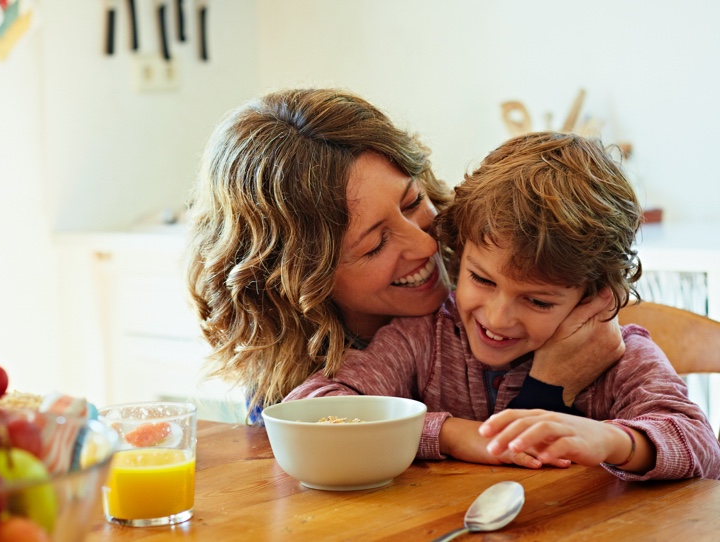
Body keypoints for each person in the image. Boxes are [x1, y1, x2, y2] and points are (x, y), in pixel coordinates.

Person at [286, 131, 720, 480]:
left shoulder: (619, 357)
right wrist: (452, 434)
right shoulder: (423, 339)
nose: (497, 317)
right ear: (460, 250)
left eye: (537, 300)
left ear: (591, 298)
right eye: (481, 279)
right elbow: (317, 408)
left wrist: (615, 442)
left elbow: (700, 445)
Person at [185, 88, 622, 426]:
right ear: (298, 277)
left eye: (413, 202)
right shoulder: (297, 391)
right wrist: (544, 391)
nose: (426, 246)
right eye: (375, 244)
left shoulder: (502, 289)